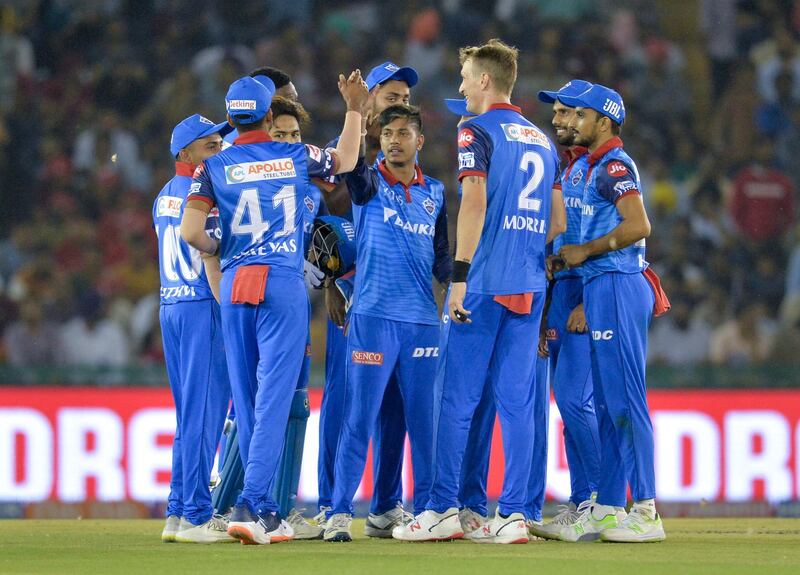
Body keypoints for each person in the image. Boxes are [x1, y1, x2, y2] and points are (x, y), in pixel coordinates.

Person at [181, 71, 368, 545]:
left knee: (246, 397)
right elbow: (345, 160)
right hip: (281, 282)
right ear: (268, 114)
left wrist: (221, 245)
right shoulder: (293, 154)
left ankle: (255, 504)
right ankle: (260, 508)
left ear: (230, 117)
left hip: (236, 282)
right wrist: (352, 108)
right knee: (275, 399)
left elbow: (191, 233)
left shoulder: (213, 165)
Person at [394, 39, 560, 544]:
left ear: (485, 80)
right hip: (529, 284)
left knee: (456, 399)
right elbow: (558, 221)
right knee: (517, 401)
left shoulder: (475, 130)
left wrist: (460, 275)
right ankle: (512, 515)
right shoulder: (542, 139)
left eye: (466, 76)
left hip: (483, 283)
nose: (462, 85)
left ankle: (442, 509)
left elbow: (473, 202)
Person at [323, 104, 451, 542]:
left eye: (404, 133)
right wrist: (356, 112)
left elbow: (443, 260)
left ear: (420, 141)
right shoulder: (368, 182)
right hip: (373, 319)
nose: (394, 140)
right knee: (359, 419)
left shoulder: (435, 191)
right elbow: (352, 169)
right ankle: (339, 513)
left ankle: (430, 511)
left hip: (421, 323)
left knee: (424, 424)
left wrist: (460, 291)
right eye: (388, 133)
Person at [557, 83, 668, 543]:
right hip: (601, 287)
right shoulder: (587, 166)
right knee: (605, 404)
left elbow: (640, 224)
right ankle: (605, 508)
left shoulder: (614, 165)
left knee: (625, 401)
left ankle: (646, 510)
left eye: (579, 115)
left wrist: (589, 249)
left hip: (620, 283)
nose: (571, 122)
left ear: (603, 120)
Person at [316, 61, 420, 539]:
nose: (398, 101)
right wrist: (330, 286)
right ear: (371, 98)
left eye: (404, 97)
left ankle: (386, 503)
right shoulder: (346, 156)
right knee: (344, 406)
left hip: (399, 306)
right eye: (391, 95)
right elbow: (318, 223)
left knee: (394, 409)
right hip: (352, 300)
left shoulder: (411, 166)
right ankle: (329, 503)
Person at [154, 113, 232, 543]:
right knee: (204, 416)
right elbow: (213, 257)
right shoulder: (208, 197)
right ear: (185, 154)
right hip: (204, 306)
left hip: (171, 305)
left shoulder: (164, 194)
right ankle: (198, 515)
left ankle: (178, 510)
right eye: (210, 146)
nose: (219, 151)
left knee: (189, 415)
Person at [529, 80, 602, 540]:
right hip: (554, 297)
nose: (559, 120)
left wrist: (591, 303)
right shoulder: (560, 167)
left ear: (589, 117)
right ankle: (581, 500)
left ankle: (597, 499)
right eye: (555, 112)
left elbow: (619, 244)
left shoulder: (602, 170)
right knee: (568, 403)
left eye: (567, 112)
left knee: (576, 399)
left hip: (583, 295)